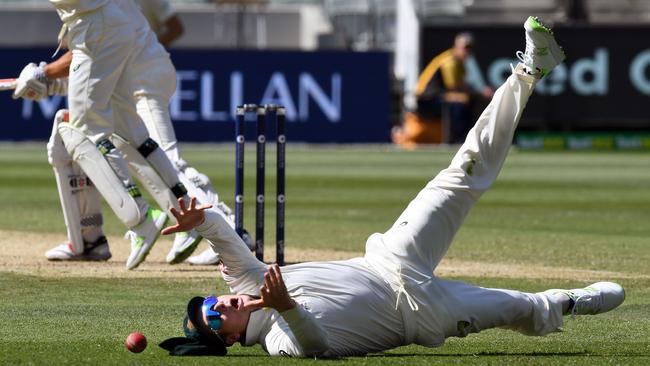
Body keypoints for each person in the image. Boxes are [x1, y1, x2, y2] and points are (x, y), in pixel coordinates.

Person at [159, 17, 625, 357]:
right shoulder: (281, 342)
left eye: (212, 301)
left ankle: (530, 71)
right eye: (217, 315)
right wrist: (286, 307)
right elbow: (317, 347)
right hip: (421, 313)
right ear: (230, 337)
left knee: (460, 172)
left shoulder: (248, 280)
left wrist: (201, 221)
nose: (222, 302)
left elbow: (224, 234)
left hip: (391, 257)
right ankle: (569, 302)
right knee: (518, 308)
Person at [13, 0, 248, 267]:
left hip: (127, 60)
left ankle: (141, 219)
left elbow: (93, 44)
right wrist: (47, 80)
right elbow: (93, 62)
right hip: (118, 42)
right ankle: (91, 238)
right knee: (126, 135)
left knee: (83, 132)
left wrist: (43, 74)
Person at [393, 31, 493, 147]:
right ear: (455, 47)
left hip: (439, 96)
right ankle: (458, 140)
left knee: (467, 100)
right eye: (464, 48)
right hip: (427, 99)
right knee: (459, 104)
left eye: (469, 49)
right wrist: (480, 92)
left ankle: (468, 137)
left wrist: (479, 92)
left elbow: (462, 85)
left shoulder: (459, 63)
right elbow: (453, 87)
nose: (466, 52)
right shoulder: (449, 61)